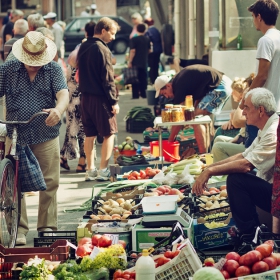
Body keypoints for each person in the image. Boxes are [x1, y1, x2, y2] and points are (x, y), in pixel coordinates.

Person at [0, 31, 69, 245]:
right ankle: (18, 228)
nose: (34, 65)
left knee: (50, 181)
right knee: (14, 183)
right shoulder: (8, 69)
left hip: (45, 132)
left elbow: (63, 94)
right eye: (31, 61)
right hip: (16, 132)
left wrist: (59, 110)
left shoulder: (53, 69)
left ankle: (47, 226)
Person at [192, 88, 279, 242]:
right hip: (272, 188)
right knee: (237, 177)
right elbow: (244, 155)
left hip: (276, 196)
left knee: (236, 180)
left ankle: (250, 235)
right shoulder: (265, 128)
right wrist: (209, 168)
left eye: (246, 107)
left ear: (260, 110)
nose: (243, 112)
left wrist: (210, 171)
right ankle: (253, 230)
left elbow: (246, 164)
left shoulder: (272, 132)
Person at [77, 17, 119, 181]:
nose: (113, 38)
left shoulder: (83, 46)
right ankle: (102, 170)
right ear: (103, 30)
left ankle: (90, 169)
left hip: (85, 98)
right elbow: (108, 78)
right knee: (109, 133)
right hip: (100, 98)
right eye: (112, 33)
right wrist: (113, 101)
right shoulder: (102, 49)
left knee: (90, 134)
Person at [154, 65, 232, 154]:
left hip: (220, 86)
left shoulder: (179, 86)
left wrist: (170, 141)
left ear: (168, 86)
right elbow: (196, 96)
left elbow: (179, 117)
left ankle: (204, 155)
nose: (166, 97)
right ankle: (209, 150)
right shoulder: (179, 81)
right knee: (198, 117)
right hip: (222, 82)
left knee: (195, 119)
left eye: (164, 93)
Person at [60, 21, 96, 172]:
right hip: (84, 97)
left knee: (73, 130)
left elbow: (68, 76)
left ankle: (64, 156)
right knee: (86, 131)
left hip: (72, 98)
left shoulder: (76, 53)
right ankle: (82, 162)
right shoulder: (93, 51)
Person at [243, 0, 280, 112]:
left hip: (265, 110)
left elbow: (262, 76)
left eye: (253, 16)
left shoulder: (266, 40)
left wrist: (245, 100)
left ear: (259, 17)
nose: (253, 20)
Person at [212, 74, 257, 162]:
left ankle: (223, 173)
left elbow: (237, 122)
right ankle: (215, 166)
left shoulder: (251, 104)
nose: (231, 93)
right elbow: (242, 131)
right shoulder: (248, 105)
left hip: (251, 147)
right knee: (218, 139)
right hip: (245, 140)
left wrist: (243, 99)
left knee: (218, 146)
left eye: (247, 89)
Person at [128, 23, 151, 99]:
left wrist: (130, 61)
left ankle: (135, 95)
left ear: (137, 29)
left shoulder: (134, 39)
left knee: (135, 78)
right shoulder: (147, 39)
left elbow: (132, 51)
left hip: (135, 62)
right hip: (144, 61)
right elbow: (149, 51)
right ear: (145, 30)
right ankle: (143, 94)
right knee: (143, 78)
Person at [144, 18, 163, 84]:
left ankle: (153, 80)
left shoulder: (148, 31)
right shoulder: (156, 30)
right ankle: (156, 78)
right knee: (156, 65)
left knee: (152, 66)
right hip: (158, 49)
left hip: (152, 51)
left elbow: (148, 41)